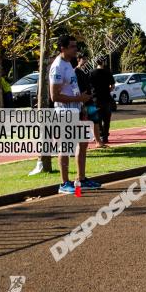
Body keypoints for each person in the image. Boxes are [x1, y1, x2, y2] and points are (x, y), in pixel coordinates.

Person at [49, 35, 99, 194]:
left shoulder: (69, 64)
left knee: (83, 144)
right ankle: (64, 183)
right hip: (64, 112)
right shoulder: (57, 67)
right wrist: (79, 98)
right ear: (62, 48)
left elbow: (72, 87)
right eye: (72, 46)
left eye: (75, 46)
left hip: (77, 109)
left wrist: (81, 104)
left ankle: (81, 179)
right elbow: (54, 96)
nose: (75, 49)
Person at [89, 57, 115, 146]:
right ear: (103, 62)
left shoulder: (92, 73)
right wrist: (108, 90)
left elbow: (89, 85)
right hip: (106, 98)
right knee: (106, 119)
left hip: (95, 98)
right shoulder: (107, 72)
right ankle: (105, 137)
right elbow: (112, 86)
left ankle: (99, 136)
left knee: (97, 119)